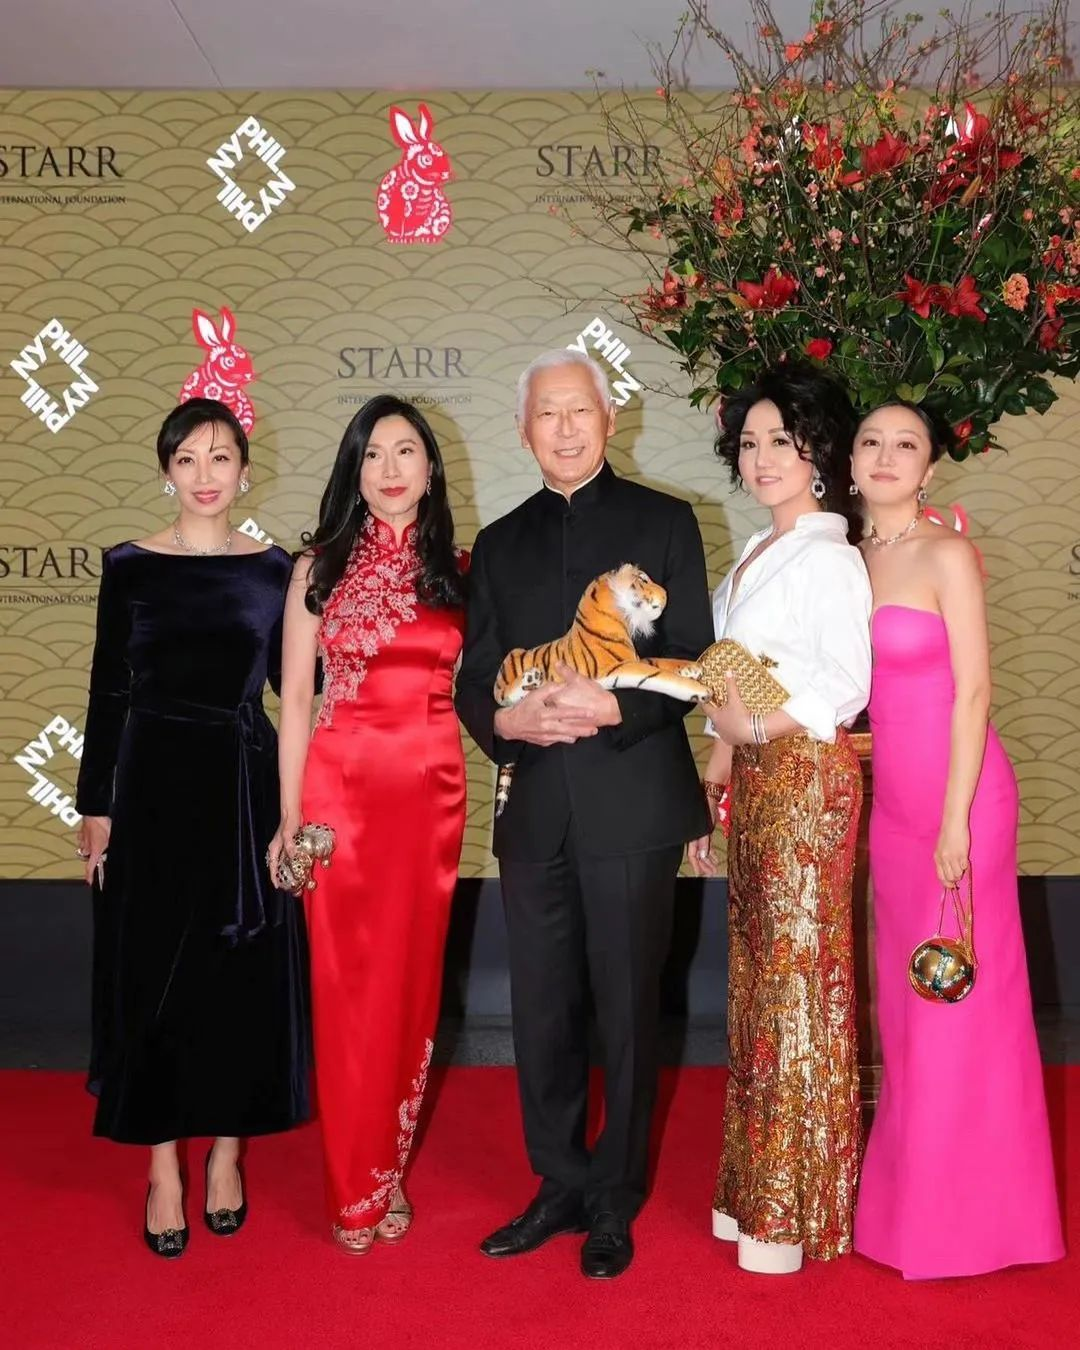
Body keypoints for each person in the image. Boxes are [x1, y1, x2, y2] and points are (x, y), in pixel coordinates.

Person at [455, 349, 713, 1280]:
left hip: (634, 804)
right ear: (523, 430)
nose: (564, 428)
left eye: (579, 411)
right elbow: (474, 677)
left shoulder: (665, 521)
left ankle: (614, 1198)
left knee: (631, 1011)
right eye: (546, 414)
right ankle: (557, 1182)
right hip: (533, 810)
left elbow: (697, 659)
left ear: (610, 418)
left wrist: (617, 705)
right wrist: (505, 722)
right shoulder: (499, 543)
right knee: (542, 1012)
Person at [75, 398, 310, 1260]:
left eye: (220, 458)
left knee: (235, 972)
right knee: (152, 974)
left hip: (242, 786)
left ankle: (227, 1153)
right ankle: (163, 1167)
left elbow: (301, 692)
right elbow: (108, 689)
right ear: (165, 472)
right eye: (187, 459)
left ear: (245, 470)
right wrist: (95, 806)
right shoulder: (129, 567)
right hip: (149, 788)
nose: (205, 475)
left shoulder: (277, 570)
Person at [850, 401, 1064, 1279]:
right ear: (850, 462)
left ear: (931, 468)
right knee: (907, 1010)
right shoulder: (845, 558)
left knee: (957, 1002)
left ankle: (977, 1224)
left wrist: (952, 822)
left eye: (906, 444)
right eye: (871, 441)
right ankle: (907, 1211)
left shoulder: (946, 553)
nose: (887, 455)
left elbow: (974, 692)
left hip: (960, 803)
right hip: (894, 808)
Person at [270, 394, 469, 1255]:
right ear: (353, 472)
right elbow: (296, 701)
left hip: (431, 801)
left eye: (405, 451)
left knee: (411, 988)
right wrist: (289, 817)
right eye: (373, 454)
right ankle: (355, 1190)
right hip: (340, 802)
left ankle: (387, 1171)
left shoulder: (460, 571)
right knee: (348, 990)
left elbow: (491, 686)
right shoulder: (316, 568)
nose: (390, 469)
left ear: (430, 467)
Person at [691, 364, 872, 1275]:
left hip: (806, 779)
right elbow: (729, 679)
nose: (762, 459)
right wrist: (718, 769)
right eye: (751, 443)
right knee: (759, 984)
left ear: (819, 452)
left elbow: (844, 682)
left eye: (783, 442)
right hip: (760, 778)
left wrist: (754, 730)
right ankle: (753, 1189)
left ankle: (793, 1209)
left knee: (798, 988)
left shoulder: (831, 556)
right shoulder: (762, 549)